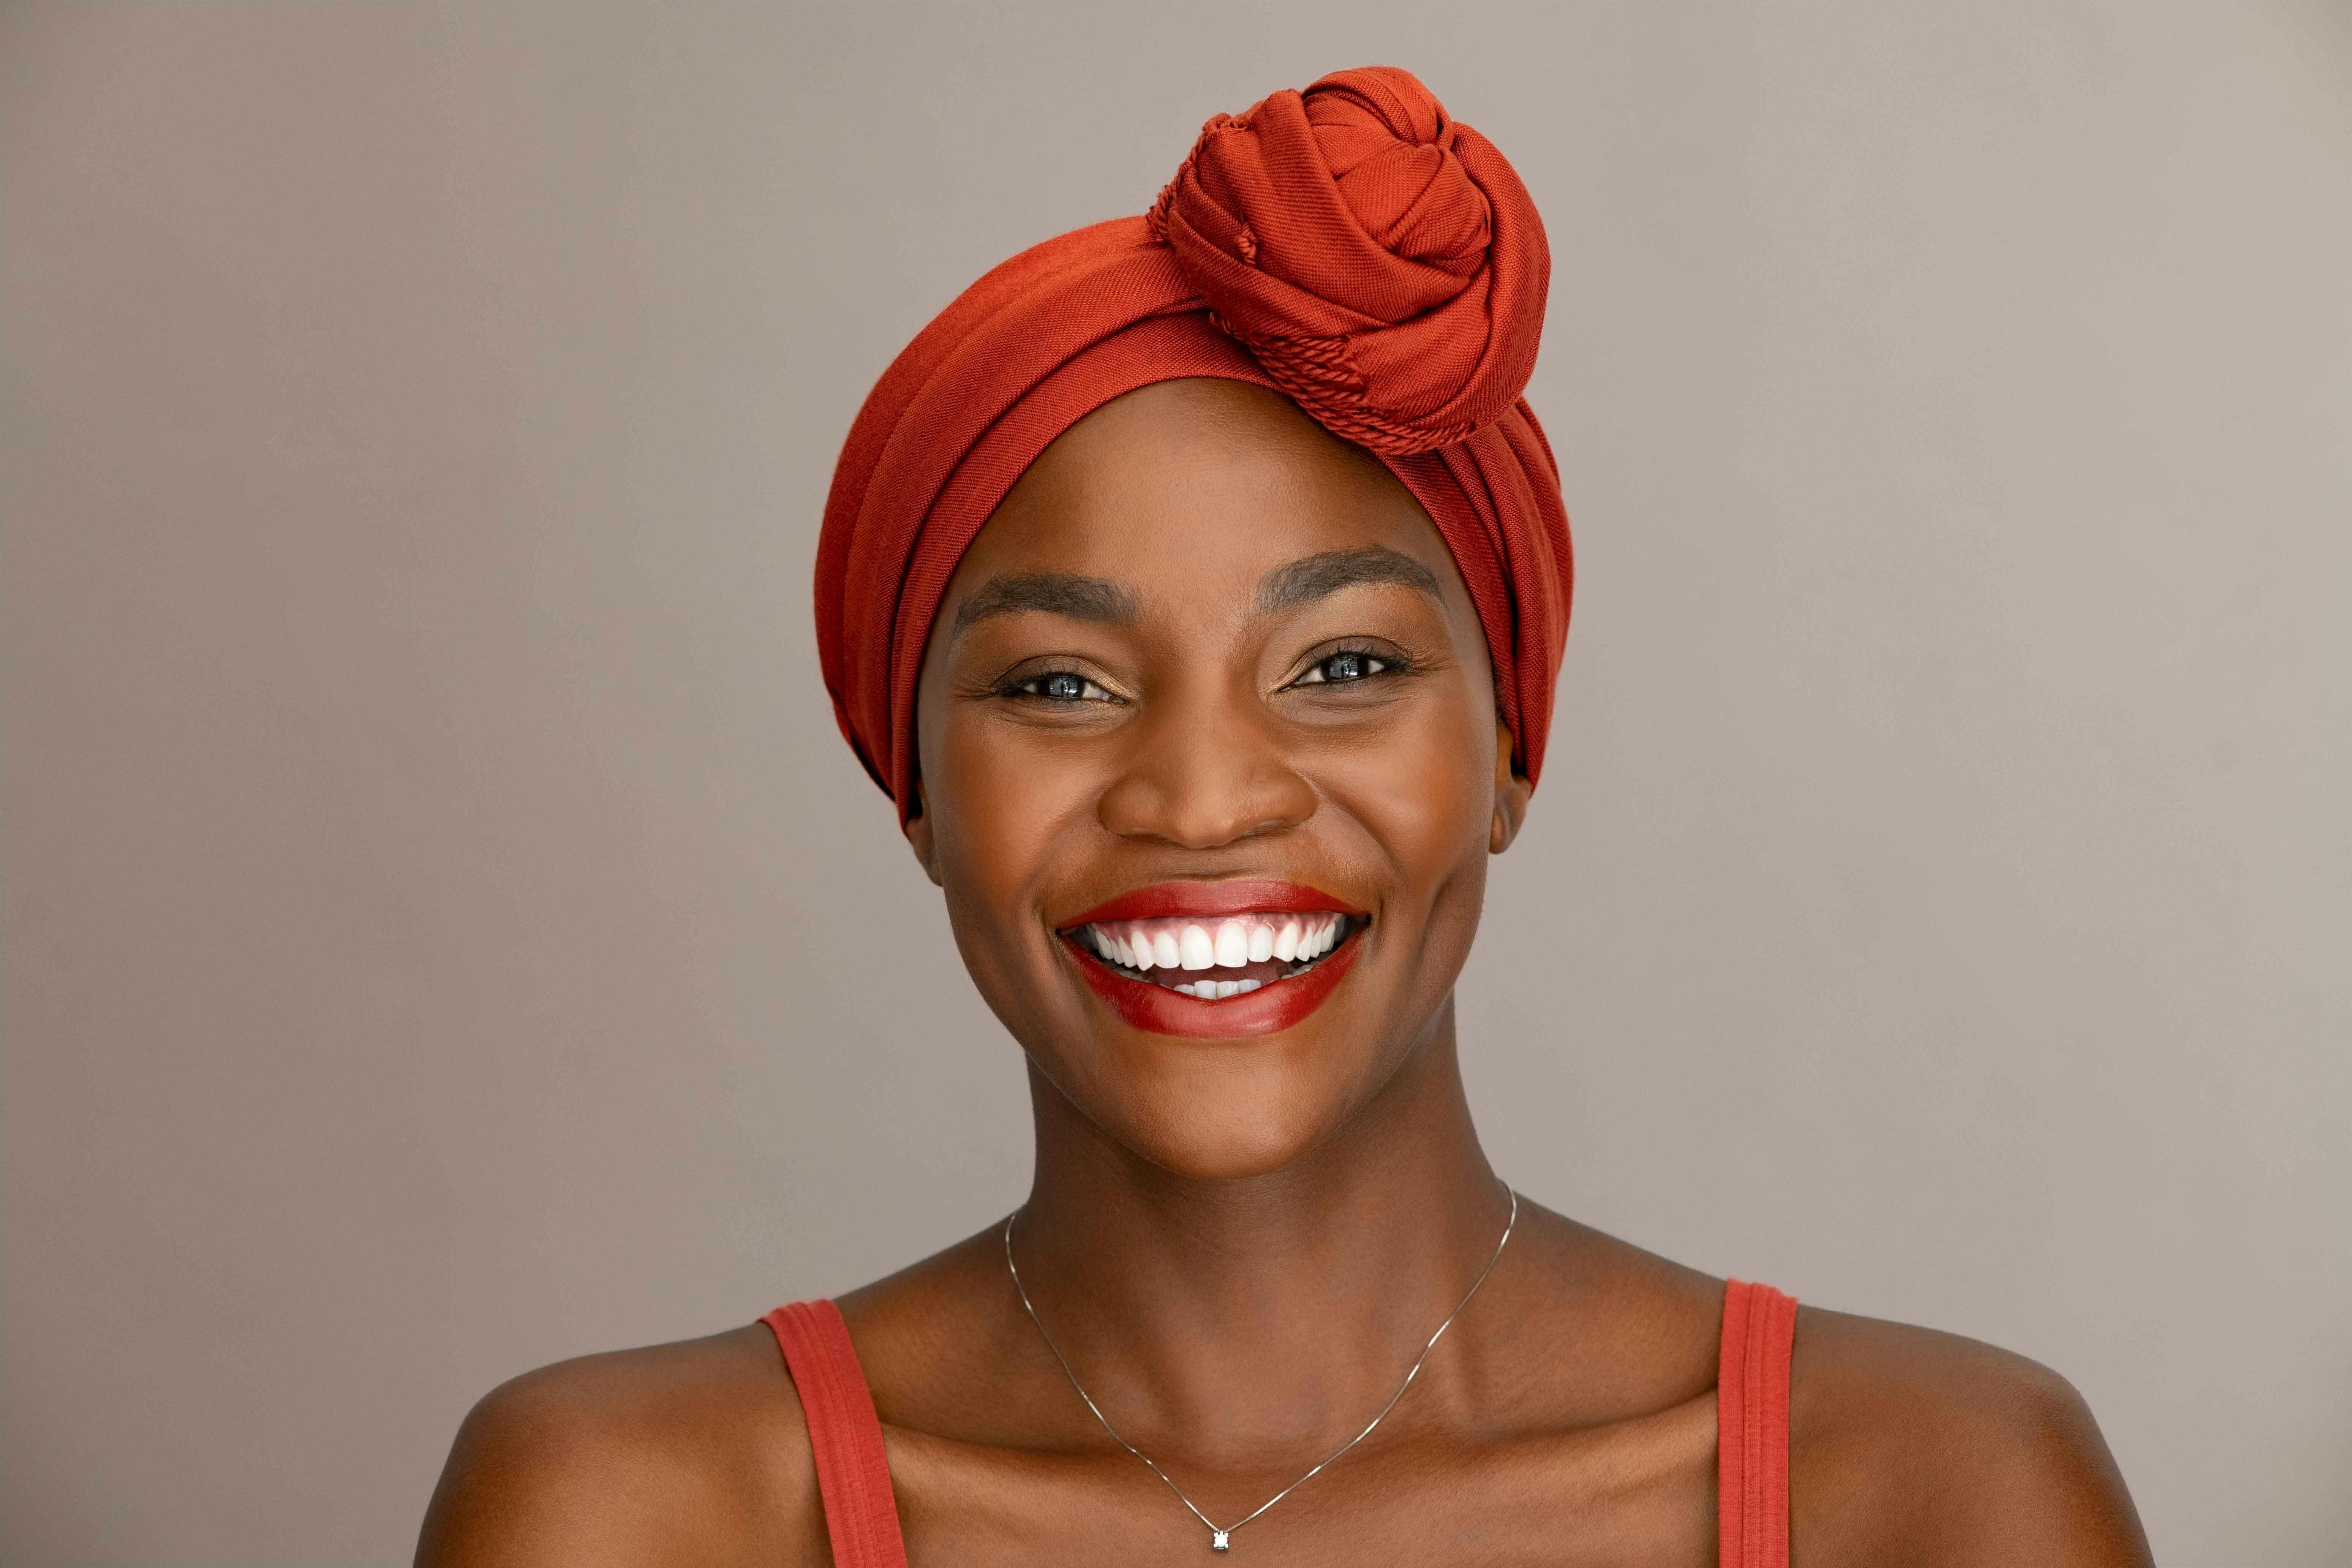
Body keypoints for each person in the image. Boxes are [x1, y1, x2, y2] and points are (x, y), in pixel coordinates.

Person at [417, 68, 2151, 1566]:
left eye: (1340, 664)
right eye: (1058, 685)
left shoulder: (1933, 1496)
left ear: (1508, 758)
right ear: (920, 792)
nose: (1203, 797)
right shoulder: (635, 1514)